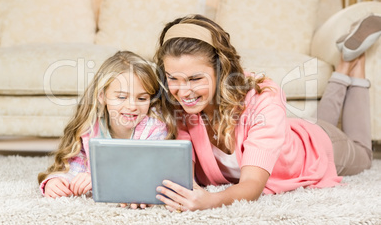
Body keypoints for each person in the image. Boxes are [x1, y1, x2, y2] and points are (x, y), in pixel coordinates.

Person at [153, 14, 379, 212]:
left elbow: (251, 186)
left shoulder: (264, 96)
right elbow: (182, 174)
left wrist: (210, 201)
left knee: (362, 152)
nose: (183, 91)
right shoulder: (177, 105)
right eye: (173, 78)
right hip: (285, 134)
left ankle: (351, 65)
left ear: (221, 71)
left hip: (316, 149)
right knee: (319, 121)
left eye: (195, 78)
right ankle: (344, 68)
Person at [38, 51, 169, 202]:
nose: (132, 106)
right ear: (102, 96)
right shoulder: (90, 129)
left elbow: (149, 175)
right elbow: (75, 166)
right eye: (121, 97)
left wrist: (98, 179)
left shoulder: (154, 129)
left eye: (142, 98)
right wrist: (56, 181)